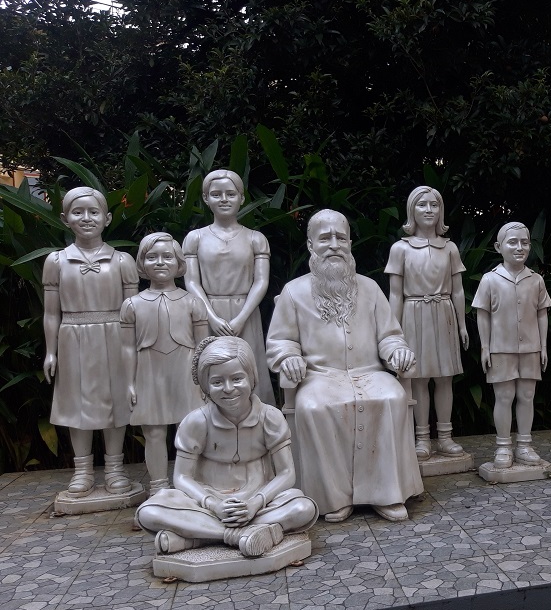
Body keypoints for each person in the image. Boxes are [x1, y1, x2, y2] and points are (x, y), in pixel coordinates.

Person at [266, 209, 423, 522]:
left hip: (370, 373)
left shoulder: (370, 288)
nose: (334, 244)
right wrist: (289, 357)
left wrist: (397, 352)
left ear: (350, 242)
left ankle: (387, 493)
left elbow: (390, 336)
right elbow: (280, 342)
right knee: (312, 406)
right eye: (325, 238)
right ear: (311, 245)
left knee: (391, 397)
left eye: (341, 237)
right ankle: (333, 497)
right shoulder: (294, 292)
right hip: (319, 377)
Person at [135, 336, 318, 557]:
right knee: (148, 512)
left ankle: (196, 538)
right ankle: (240, 536)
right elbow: (182, 477)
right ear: (205, 385)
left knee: (303, 508)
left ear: (252, 378)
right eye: (217, 382)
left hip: (259, 501)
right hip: (207, 503)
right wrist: (213, 504)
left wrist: (255, 503)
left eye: (237, 378)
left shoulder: (270, 417)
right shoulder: (196, 422)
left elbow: (287, 473)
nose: (228, 389)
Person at [43, 187, 139, 497]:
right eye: (78, 212)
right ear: (64, 218)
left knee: (116, 401)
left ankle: (114, 468)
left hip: (115, 335)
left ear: (107, 218)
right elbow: (50, 313)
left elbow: (135, 311)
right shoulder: (56, 261)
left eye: (94, 212)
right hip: (73, 336)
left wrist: (136, 348)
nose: (86, 218)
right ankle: (82, 470)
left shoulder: (123, 260)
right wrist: (50, 351)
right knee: (76, 403)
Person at [385, 186, 469, 460]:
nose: (429, 210)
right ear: (412, 210)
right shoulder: (401, 248)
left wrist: (462, 324)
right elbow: (395, 293)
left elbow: (457, 290)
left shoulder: (450, 248)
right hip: (413, 312)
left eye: (434, 205)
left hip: (443, 312)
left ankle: (445, 436)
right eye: (422, 205)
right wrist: (392, 331)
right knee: (418, 379)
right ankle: (422, 438)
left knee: (445, 378)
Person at [121, 233, 208, 496]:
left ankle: (192, 483)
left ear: (179, 263)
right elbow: (126, 347)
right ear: (142, 263)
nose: (160, 262)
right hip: (149, 373)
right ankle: (158, 486)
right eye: (152, 257)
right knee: (154, 433)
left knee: (192, 430)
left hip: (186, 372)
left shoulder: (193, 302)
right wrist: (129, 383)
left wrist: (204, 381)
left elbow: (204, 346)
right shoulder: (131, 305)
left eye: (167, 256)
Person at [183, 170, 274, 404]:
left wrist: (242, 317)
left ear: (241, 198)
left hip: (246, 312)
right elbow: (192, 281)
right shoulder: (195, 238)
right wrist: (211, 317)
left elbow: (261, 281)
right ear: (206, 199)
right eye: (216, 194)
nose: (224, 199)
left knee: (249, 369)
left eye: (230, 193)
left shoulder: (256, 238)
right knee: (210, 368)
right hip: (208, 312)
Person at [472, 222, 551, 468]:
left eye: (525, 242)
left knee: (527, 396)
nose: (520, 248)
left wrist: (543, 346)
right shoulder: (489, 280)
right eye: (512, 242)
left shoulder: (536, 280)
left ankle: (525, 445)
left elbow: (542, 313)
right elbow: (482, 314)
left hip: (530, 348)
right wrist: (485, 347)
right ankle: (503, 446)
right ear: (499, 247)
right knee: (504, 396)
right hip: (501, 348)